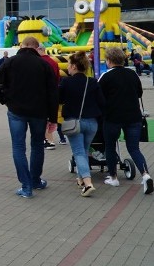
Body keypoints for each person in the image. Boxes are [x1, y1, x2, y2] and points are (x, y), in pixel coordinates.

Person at [0, 36, 58, 198]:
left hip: (16, 111)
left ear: (22, 45)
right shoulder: (44, 64)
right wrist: (53, 118)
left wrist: (5, 100)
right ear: (36, 47)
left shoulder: (10, 62)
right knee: (38, 145)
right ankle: (35, 180)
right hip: (39, 112)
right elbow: (53, 93)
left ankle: (26, 187)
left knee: (18, 147)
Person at [99, 46, 151, 194]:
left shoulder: (106, 76)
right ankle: (146, 175)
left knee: (110, 146)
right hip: (133, 117)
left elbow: (99, 95)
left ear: (109, 61)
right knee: (134, 148)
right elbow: (139, 93)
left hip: (112, 118)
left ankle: (113, 177)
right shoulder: (132, 74)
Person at [59, 51, 105, 197]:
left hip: (74, 123)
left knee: (78, 152)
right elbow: (102, 102)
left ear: (73, 66)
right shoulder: (92, 82)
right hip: (92, 123)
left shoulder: (66, 82)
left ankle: (88, 183)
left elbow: (59, 99)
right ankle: (80, 179)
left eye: (68, 65)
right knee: (83, 151)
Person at [37, 45, 61, 149]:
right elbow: (58, 79)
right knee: (51, 117)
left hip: (41, 94)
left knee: (42, 118)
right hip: (53, 93)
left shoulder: (38, 62)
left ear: (39, 49)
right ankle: (50, 139)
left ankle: (47, 140)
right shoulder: (54, 62)